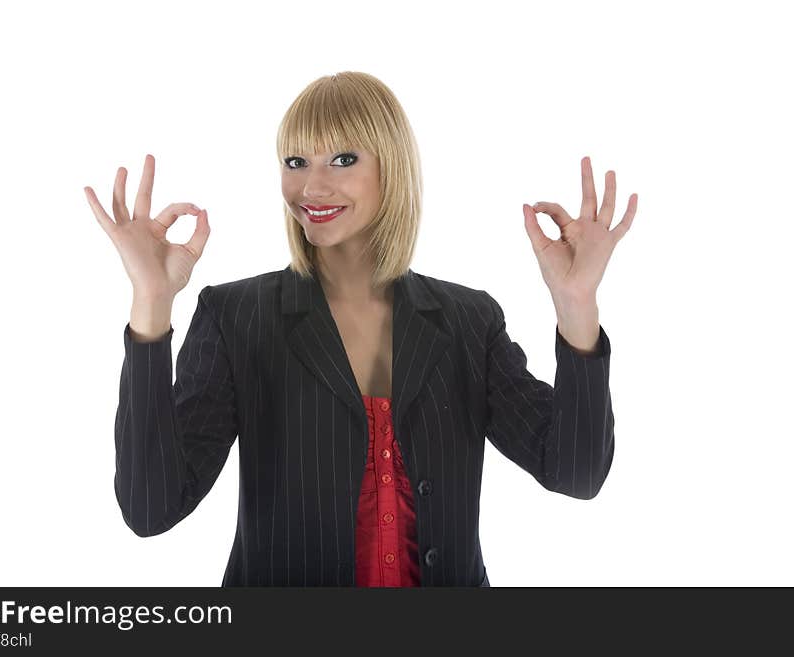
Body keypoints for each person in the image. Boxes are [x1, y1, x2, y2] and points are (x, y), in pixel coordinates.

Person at [84, 71, 637, 587]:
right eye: (295, 162)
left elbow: (575, 473)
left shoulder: (469, 321)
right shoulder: (237, 317)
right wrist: (151, 305)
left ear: (391, 167)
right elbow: (151, 509)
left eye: (342, 159)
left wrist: (576, 303)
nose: (311, 187)